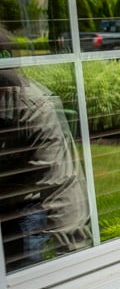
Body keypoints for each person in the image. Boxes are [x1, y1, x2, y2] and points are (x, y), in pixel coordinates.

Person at [0, 30, 91, 270]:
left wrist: (75, 267)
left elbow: (61, 186)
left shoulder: (35, 108)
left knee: (23, 277)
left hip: (22, 208)